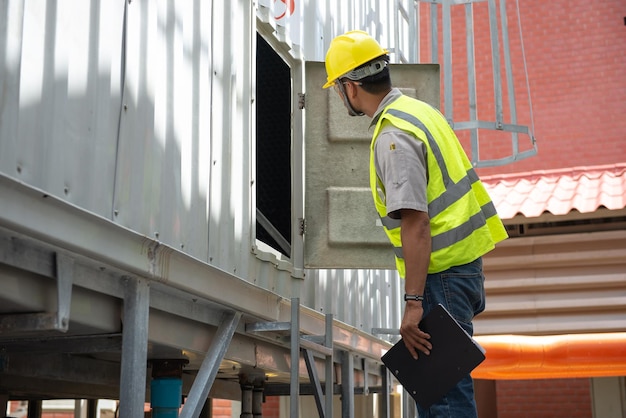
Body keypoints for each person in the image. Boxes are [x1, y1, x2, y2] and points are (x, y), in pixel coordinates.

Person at [323, 30, 508, 417]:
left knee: (445, 400)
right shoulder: (421, 112)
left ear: (351, 87)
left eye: (339, 88)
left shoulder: (394, 134)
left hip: (441, 278)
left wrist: (412, 303)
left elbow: (416, 223)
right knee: (439, 393)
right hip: (459, 273)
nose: (341, 97)